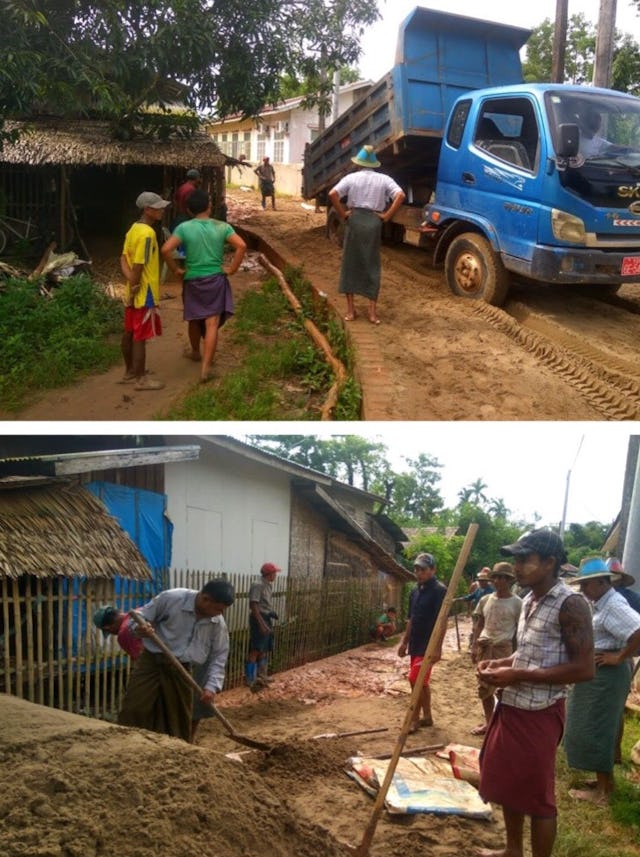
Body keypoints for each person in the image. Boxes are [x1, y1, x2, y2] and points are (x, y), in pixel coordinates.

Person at [476, 528, 594, 857]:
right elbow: (529, 652)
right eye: (515, 558)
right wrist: (501, 663)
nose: (516, 566)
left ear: (549, 562)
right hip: (511, 707)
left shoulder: (571, 605)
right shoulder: (529, 600)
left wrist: (519, 675)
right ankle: (513, 850)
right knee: (507, 785)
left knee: (539, 799)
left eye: (523, 559)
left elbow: (584, 668)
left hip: (540, 713)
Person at [117, 578, 235, 743]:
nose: (220, 613)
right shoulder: (172, 599)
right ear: (205, 599)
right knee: (135, 708)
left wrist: (211, 686)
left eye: (222, 610)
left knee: (178, 719)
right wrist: (139, 628)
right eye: (217, 609)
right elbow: (138, 616)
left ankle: (173, 754)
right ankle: (129, 746)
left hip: (183, 670)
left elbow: (219, 655)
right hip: (152, 662)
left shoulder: (217, 622)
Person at [564, 557, 640, 805]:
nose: (583, 590)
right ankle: (603, 781)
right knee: (593, 725)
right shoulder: (602, 603)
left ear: (600, 582)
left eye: (586, 585)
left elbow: (638, 631)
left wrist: (619, 657)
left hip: (607, 676)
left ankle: (603, 792)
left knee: (599, 728)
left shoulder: (614, 605)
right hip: (599, 673)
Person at [161, 188, 246, 383]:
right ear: (209, 206)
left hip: (193, 280)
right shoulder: (222, 227)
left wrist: (176, 270)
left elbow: (166, 249)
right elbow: (241, 245)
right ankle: (206, 369)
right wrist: (232, 269)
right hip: (215, 279)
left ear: (190, 210)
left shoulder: (184, 228)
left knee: (193, 318)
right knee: (212, 323)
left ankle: (195, 352)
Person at [328, 144, 405, 325]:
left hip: (354, 221)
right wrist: (386, 216)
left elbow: (333, 194)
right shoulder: (384, 179)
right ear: (374, 164)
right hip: (373, 222)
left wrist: (343, 213)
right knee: (372, 264)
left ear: (359, 163)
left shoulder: (351, 178)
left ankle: (350, 311)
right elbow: (400, 195)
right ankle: (372, 313)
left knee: (350, 263)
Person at [119, 191, 168, 391]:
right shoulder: (148, 234)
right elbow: (139, 264)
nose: (162, 210)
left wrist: (130, 283)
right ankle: (141, 379)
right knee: (141, 335)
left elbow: (122, 259)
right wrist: (136, 281)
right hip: (144, 290)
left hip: (132, 289)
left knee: (129, 331)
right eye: (158, 207)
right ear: (148, 210)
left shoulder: (133, 229)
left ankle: (130, 371)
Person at [469, 562, 521, 735]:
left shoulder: (517, 603)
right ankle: (489, 722)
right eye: (496, 577)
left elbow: (519, 633)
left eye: (503, 578)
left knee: (504, 690)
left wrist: (517, 654)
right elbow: (479, 624)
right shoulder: (485, 600)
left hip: (504, 649)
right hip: (485, 647)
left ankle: (503, 725)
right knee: (484, 689)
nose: (498, 581)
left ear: (510, 580)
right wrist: (474, 646)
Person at [398, 552, 447, 733]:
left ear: (432, 570)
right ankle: (427, 716)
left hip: (428, 644)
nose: (418, 573)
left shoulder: (439, 591)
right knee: (421, 682)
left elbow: (442, 621)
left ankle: (414, 720)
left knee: (415, 679)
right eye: (416, 569)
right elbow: (411, 619)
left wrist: (437, 648)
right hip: (415, 644)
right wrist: (404, 642)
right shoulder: (415, 591)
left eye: (423, 569)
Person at [246, 562, 282, 689]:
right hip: (258, 619)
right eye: (274, 573)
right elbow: (254, 605)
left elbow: (263, 604)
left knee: (264, 648)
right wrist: (261, 624)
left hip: (265, 618)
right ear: (269, 574)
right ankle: (250, 679)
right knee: (256, 649)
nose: (276, 575)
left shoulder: (268, 585)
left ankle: (262, 676)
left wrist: (270, 613)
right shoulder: (258, 585)